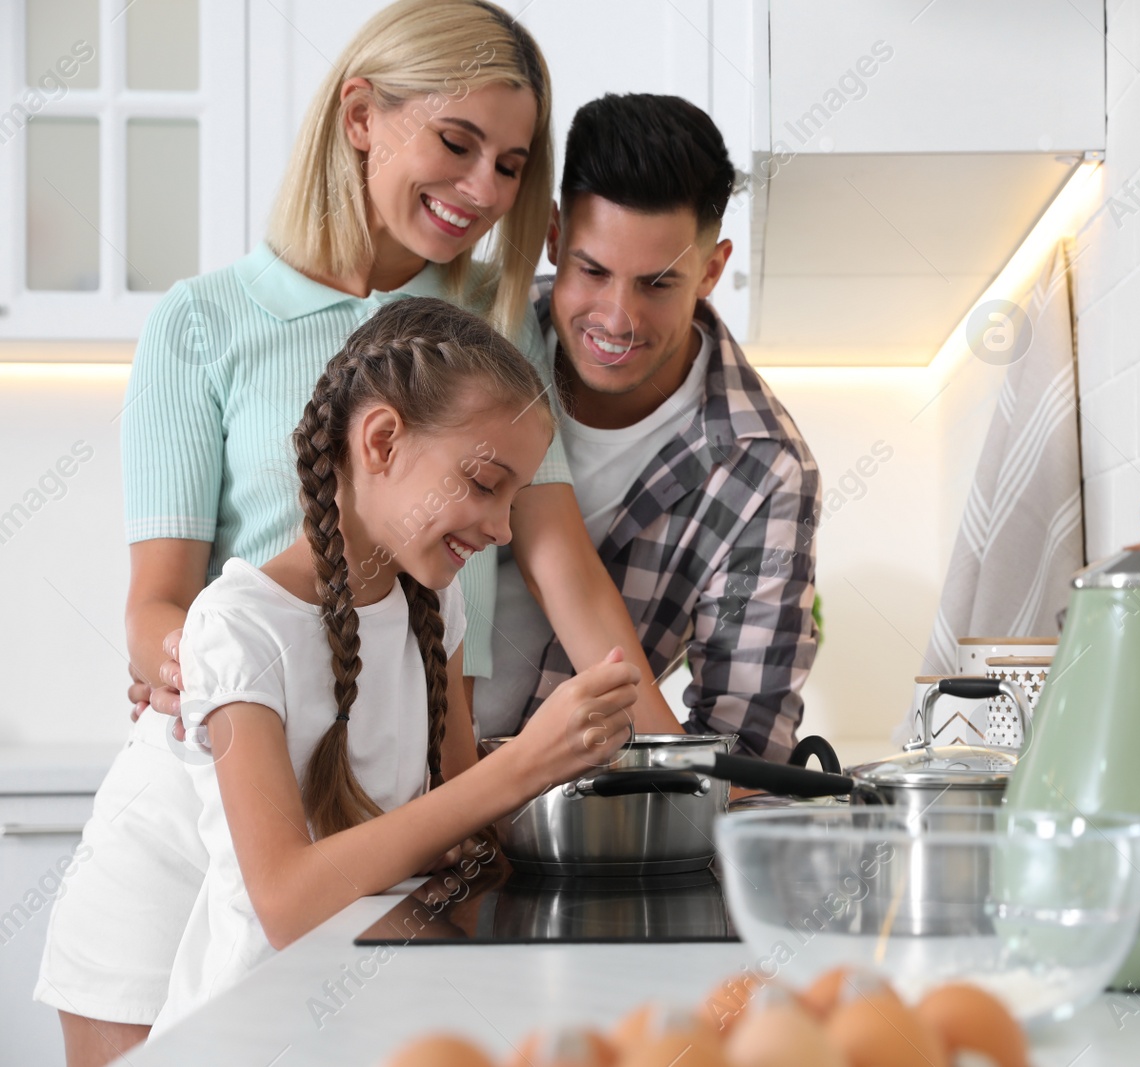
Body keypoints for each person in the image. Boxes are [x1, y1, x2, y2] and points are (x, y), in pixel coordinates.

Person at [35, 5, 669, 1064]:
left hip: (383, 816)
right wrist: (213, 672)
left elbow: (567, 573)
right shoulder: (205, 322)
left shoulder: (482, 338)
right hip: (202, 828)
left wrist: (665, 760)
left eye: (511, 166)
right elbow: (160, 603)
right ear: (363, 115)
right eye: (456, 144)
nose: (481, 192)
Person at [145, 296, 638, 1034]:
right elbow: (286, 901)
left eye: (514, 496)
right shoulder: (236, 625)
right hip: (255, 1029)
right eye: (482, 482)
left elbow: (461, 830)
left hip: (378, 1012)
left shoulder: (435, 610)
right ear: (380, 441)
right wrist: (525, 762)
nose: (502, 526)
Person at [475, 94, 821, 762]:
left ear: (711, 271)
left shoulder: (763, 469)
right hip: (393, 792)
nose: (617, 317)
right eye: (592, 270)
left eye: (657, 284)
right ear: (552, 236)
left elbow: (743, 747)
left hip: (577, 826)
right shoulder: (481, 340)